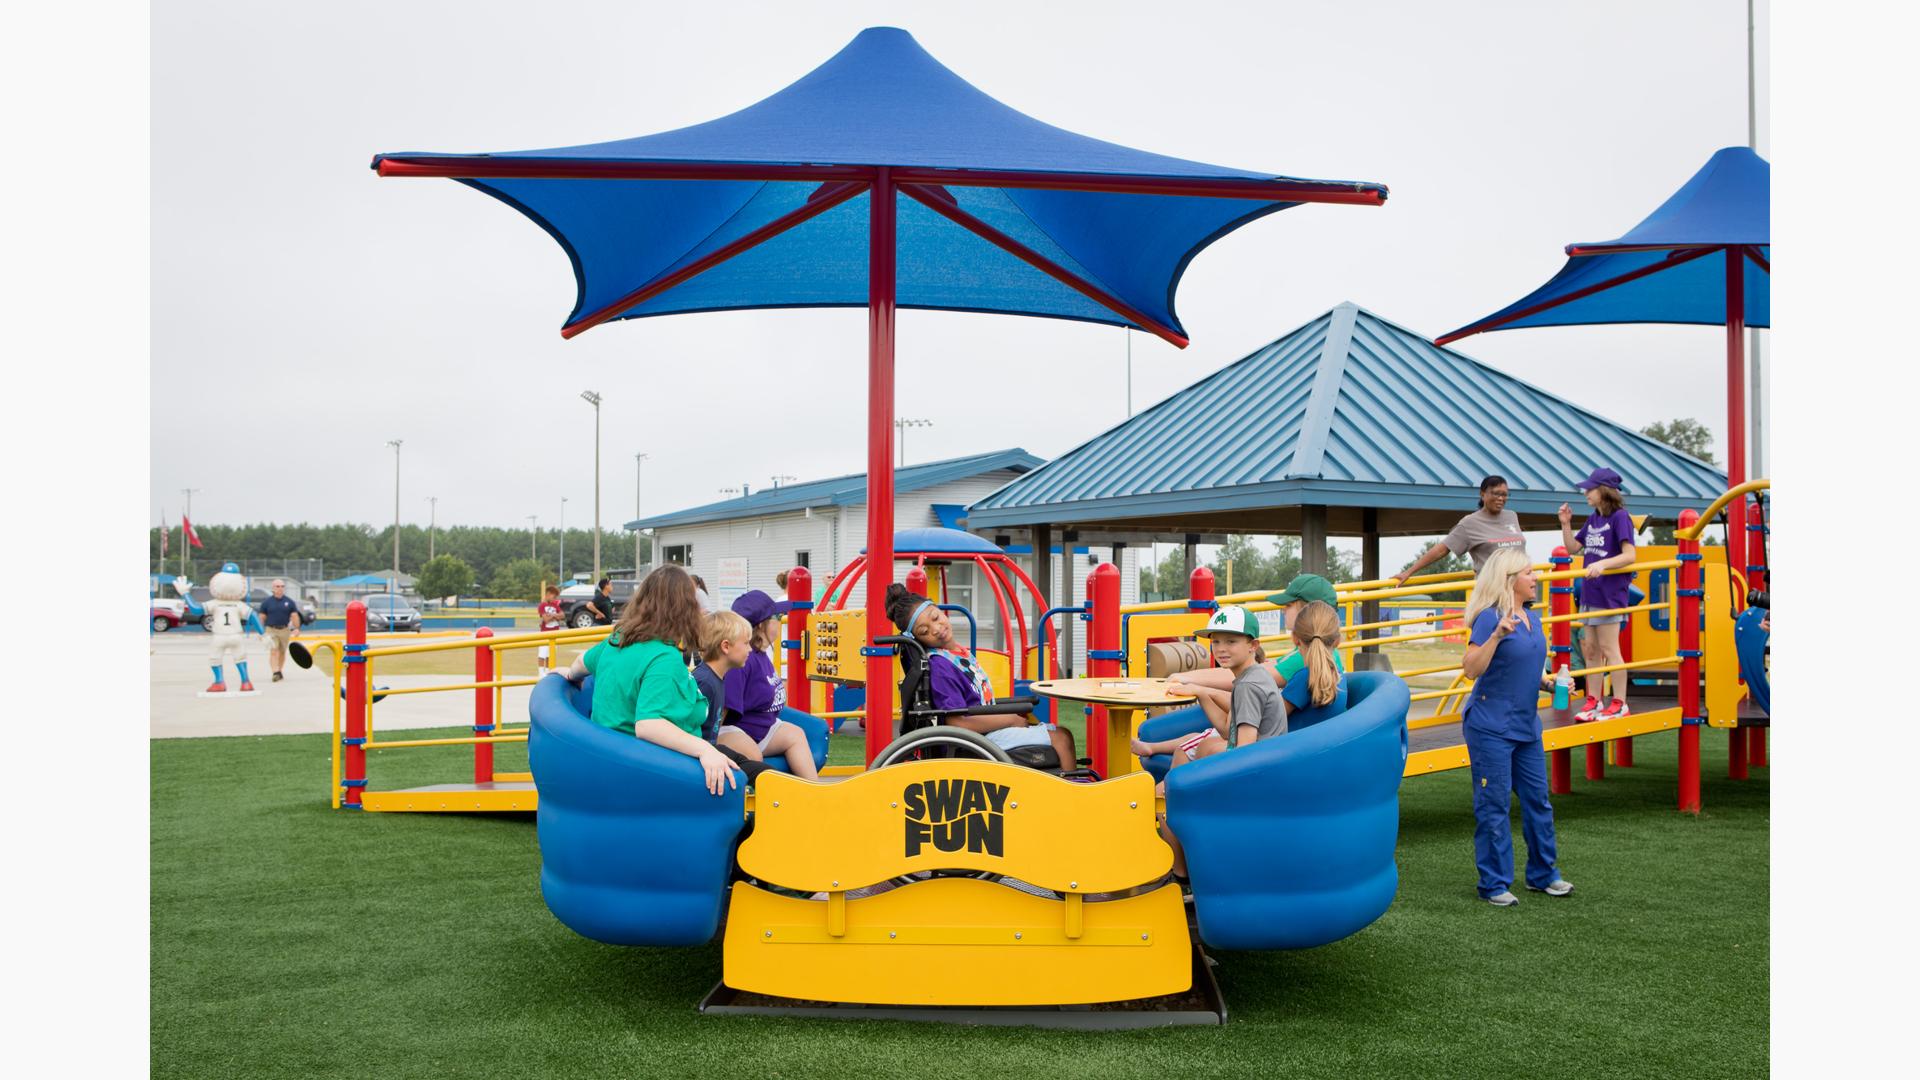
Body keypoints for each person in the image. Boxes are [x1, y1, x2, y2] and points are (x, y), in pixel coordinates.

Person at [562, 565, 741, 795]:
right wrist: (704, 749)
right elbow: (649, 725)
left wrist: (568, 675)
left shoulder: (618, 640)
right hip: (646, 769)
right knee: (738, 778)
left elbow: (580, 664)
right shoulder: (663, 657)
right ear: (684, 608)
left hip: (612, 761)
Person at [1459, 547, 1572, 906]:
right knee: (1493, 805)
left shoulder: (1532, 619)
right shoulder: (1489, 618)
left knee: (1538, 800)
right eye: (1528, 573)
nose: (1535, 578)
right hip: (1490, 726)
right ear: (1510, 579)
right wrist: (1495, 636)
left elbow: (1523, 669)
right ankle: (1494, 884)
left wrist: (1551, 684)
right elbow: (1471, 668)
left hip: (1526, 726)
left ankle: (1543, 874)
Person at [883, 583, 1077, 765]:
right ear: (918, 638)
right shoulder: (940, 667)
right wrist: (1010, 719)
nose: (936, 629)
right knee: (1061, 737)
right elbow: (957, 721)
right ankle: (1073, 797)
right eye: (924, 631)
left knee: (1056, 730)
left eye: (935, 617)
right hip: (974, 741)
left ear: (941, 610)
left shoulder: (957, 654)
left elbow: (975, 705)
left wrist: (1010, 716)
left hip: (985, 732)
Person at [1131, 604, 1288, 770]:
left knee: (1205, 748)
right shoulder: (1254, 675)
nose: (1221, 649)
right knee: (1203, 745)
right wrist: (1200, 692)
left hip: (1262, 769)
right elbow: (1227, 732)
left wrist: (1202, 770)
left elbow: (1244, 751)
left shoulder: (1248, 685)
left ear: (1253, 645)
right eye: (1216, 641)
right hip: (1268, 760)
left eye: (1231, 641)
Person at [1168, 572, 1345, 718]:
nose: (1283, 610)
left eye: (1288, 605)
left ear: (1308, 610)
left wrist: (1187, 679)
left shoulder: (1308, 657)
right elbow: (1264, 668)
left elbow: (1249, 677)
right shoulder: (1313, 651)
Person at [1560, 468, 1637, 721]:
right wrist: (1566, 524)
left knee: (1608, 648)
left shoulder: (1620, 517)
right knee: (1591, 650)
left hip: (1610, 594)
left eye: (1589, 489)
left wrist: (1603, 565)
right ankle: (1594, 700)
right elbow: (1573, 548)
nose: (1585, 493)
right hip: (1590, 594)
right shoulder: (1593, 518)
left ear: (1603, 491)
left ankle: (1620, 702)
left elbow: (1630, 555)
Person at [720, 590, 820, 780]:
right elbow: (723, 711)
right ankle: (765, 802)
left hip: (762, 729)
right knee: (753, 755)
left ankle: (815, 795)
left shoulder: (761, 654)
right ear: (761, 625)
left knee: (795, 734)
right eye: (777, 616)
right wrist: (707, 743)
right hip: (733, 730)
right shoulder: (741, 661)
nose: (781, 619)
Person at [1395, 475, 1528, 583]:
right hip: (1493, 592)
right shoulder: (1470, 523)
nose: (1500, 498)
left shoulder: (1511, 516)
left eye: (1504, 494)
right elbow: (1442, 549)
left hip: (1521, 590)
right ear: (1482, 494)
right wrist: (1408, 572)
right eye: (1495, 493)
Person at [692, 610, 769, 782]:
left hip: (711, 750)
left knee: (768, 773)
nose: (750, 649)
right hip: (700, 759)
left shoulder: (718, 678)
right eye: (746, 643)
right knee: (766, 777)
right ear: (725, 646)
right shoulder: (705, 682)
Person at [256, 578, 303, 683]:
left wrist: (297, 628)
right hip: (271, 629)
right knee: (274, 651)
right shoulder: (267, 602)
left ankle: (279, 671)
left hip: (284, 630)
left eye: (282, 586)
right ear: (273, 588)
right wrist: (260, 632)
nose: (280, 588)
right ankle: (275, 672)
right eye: (278, 586)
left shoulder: (289, 602)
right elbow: (261, 617)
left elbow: (294, 616)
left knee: (282, 652)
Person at [535, 584, 564, 675]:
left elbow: (562, 615)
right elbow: (546, 620)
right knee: (542, 653)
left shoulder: (555, 605)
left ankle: (548, 671)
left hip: (554, 633)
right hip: (545, 633)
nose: (554, 598)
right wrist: (556, 616)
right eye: (553, 596)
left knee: (550, 654)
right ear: (548, 593)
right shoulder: (542, 605)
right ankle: (541, 672)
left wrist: (552, 615)